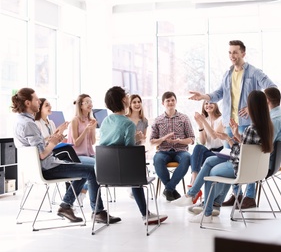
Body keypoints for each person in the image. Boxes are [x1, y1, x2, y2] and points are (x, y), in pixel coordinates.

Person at [11, 87, 121, 224]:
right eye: (36, 99)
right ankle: (97, 212)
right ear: (28, 103)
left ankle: (66, 206)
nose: (39, 101)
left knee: (83, 169)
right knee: (91, 171)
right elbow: (41, 155)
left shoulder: (20, 121)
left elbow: (37, 150)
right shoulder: (29, 124)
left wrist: (53, 139)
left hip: (43, 166)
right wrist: (53, 142)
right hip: (47, 167)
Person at [189, 39, 277, 206]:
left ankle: (250, 197)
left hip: (247, 123)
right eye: (229, 52)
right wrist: (203, 96)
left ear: (243, 53)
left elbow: (272, 88)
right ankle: (237, 195)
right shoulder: (227, 74)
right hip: (231, 124)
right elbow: (218, 94)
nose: (232, 55)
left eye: (235, 52)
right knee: (233, 160)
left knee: (248, 159)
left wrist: (253, 107)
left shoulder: (254, 73)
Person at [173, 90, 274, 223]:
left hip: (242, 168)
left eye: (247, 106)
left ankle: (205, 211)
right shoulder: (267, 126)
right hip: (251, 167)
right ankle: (194, 197)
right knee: (209, 161)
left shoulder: (252, 129)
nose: (245, 109)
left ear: (254, 108)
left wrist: (230, 140)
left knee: (210, 171)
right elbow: (248, 148)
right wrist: (235, 135)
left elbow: (240, 152)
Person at [99, 86, 168, 225]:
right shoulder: (128, 124)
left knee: (134, 176)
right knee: (137, 179)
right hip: (124, 173)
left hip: (104, 173)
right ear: (124, 100)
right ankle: (146, 214)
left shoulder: (106, 121)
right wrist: (136, 138)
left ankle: (146, 214)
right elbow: (129, 151)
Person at [222, 87, 281, 209]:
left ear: (267, 101)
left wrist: (231, 141)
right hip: (269, 161)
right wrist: (237, 135)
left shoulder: (274, 120)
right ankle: (238, 195)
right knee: (237, 157)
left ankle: (246, 196)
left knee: (232, 160)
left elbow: (259, 149)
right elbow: (256, 144)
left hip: (263, 163)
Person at [150, 91, 195, 201]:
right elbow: (152, 141)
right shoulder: (158, 120)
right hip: (163, 151)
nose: (170, 102)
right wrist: (163, 139)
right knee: (157, 159)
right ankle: (171, 190)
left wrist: (180, 141)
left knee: (187, 158)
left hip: (180, 150)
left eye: (172, 100)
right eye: (167, 100)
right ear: (163, 103)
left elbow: (192, 139)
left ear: (176, 102)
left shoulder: (184, 118)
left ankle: (169, 189)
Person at [67, 94, 97, 204]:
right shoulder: (75, 120)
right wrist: (86, 130)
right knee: (95, 166)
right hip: (77, 155)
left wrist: (92, 129)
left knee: (104, 164)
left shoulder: (91, 120)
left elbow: (93, 142)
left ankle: (82, 191)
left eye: (91, 102)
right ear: (80, 105)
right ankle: (83, 193)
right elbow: (76, 143)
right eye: (87, 102)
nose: (90, 104)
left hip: (89, 154)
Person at [189, 101, 223, 187]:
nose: (208, 105)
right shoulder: (205, 120)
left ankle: (194, 184)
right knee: (197, 148)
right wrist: (200, 125)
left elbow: (214, 136)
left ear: (216, 105)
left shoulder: (222, 119)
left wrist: (203, 121)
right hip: (209, 153)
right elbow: (203, 141)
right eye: (206, 104)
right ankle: (194, 179)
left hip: (220, 154)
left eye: (211, 103)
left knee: (195, 154)